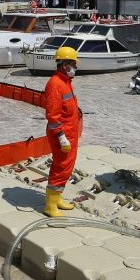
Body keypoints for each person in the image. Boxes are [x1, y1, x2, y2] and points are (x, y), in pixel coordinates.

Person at [43, 46, 82, 217]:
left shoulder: (66, 82)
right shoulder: (55, 84)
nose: (75, 67)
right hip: (63, 135)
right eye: (73, 63)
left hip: (70, 133)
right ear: (65, 65)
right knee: (61, 167)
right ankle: (50, 206)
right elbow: (52, 115)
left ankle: (57, 198)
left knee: (66, 167)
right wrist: (61, 137)